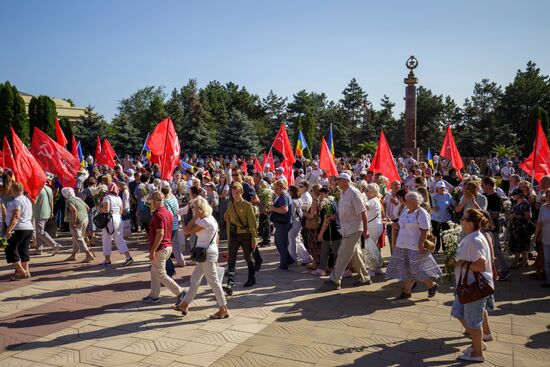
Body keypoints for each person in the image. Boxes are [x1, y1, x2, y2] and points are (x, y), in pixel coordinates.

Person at [450, 208, 494, 362]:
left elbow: (481, 265)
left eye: (463, 218)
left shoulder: (475, 240)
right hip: (465, 285)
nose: (461, 220)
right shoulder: (470, 236)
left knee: (473, 321)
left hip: (473, 287)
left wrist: (460, 263)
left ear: (469, 223)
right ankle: (478, 343)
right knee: (458, 312)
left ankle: (477, 353)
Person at [176, 197, 229, 319]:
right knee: (195, 279)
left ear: (200, 208)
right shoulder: (210, 219)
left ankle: (223, 308)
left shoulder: (204, 222)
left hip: (206, 253)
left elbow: (186, 231)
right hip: (207, 252)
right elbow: (216, 238)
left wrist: (194, 217)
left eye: (194, 208)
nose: (193, 210)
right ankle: (184, 304)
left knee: (213, 282)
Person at [385, 191, 441, 299]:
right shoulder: (405, 212)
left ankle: (431, 285)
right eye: (407, 201)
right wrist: (393, 224)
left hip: (415, 245)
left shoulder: (421, 212)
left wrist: (420, 244)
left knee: (416, 268)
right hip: (403, 244)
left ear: (415, 201)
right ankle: (406, 291)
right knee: (405, 267)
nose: (406, 203)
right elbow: (401, 226)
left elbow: (425, 230)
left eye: (408, 201)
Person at [325, 173, 372, 290]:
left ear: (346, 181)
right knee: (355, 254)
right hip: (347, 229)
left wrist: (366, 230)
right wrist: (334, 216)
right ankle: (365, 278)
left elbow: (363, 212)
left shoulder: (354, 193)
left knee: (343, 254)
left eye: (339, 180)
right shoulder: (343, 193)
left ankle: (335, 280)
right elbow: (344, 210)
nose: (337, 182)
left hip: (354, 229)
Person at [142, 191, 185, 304]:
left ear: (155, 201)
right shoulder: (166, 212)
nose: (149, 203)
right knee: (154, 271)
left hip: (161, 247)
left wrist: (153, 250)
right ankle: (154, 295)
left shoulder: (158, 214)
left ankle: (180, 292)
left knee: (160, 273)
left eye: (150, 200)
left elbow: (160, 233)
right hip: (167, 245)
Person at [224, 182, 258, 295]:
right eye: (234, 193)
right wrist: (229, 236)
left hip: (245, 234)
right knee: (231, 258)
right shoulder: (230, 204)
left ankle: (251, 278)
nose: (235, 195)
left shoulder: (248, 206)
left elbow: (252, 224)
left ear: (242, 192)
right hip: (234, 234)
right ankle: (230, 283)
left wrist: (254, 238)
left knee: (248, 257)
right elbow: (227, 220)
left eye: (237, 193)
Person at [482, 177, 511, 280]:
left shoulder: (496, 197)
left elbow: (495, 215)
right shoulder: (483, 196)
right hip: (483, 227)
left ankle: (505, 267)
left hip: (492, 227)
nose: (482, 186)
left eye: (483, 184)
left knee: (495, 248)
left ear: (489, 185)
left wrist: (484, 214)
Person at [4, 182, 34, 280]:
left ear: (13, 190)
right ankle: (26, 271)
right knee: (23, 250)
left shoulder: (17, 201)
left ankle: (21, 271)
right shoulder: (27, 200)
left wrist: (9, 229)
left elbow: (16, 215)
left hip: (18, 228)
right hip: (28, 227)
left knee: (10, 249)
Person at [100, 182, 134, 266]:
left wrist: (100, 208)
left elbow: (106, 210)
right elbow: (121, 211)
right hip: (118, 218)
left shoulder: (107, 197)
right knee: (119, 239)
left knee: (106, 239)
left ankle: (107, 260)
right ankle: (128, 257)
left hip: (110, 220)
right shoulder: (118, 197)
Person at [62, 188, 95, 263]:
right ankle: (74, 255)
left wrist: (73, 222)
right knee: (76, 238)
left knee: (78, 238)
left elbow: (74, 211)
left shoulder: (68, 200)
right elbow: (87, 208)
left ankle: (88, 255)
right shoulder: (78, 198)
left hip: (77, 221)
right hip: (85, 218)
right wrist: (83, 215)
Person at [32, 178, 62, 255]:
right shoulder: (48, 188)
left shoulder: (37, 190)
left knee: (40, 231)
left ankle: (55, 245)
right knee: (40, 231)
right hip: (47, 212)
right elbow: (51, 201)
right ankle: (39, 249)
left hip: (39, 212)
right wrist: (51, 212)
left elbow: (34, 201)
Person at [270, 180, 294, 270]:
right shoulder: (283, 195)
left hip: (283, 224)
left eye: (277, 188)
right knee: (279, 242)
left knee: (281, 244)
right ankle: (289, 260)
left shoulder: (283, 196)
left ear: (282, 188)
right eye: (274, 188)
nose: (275, 190)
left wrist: (273, 208)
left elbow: (284, 210)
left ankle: (284, 264)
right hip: (282, 223)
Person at [362, 183, 384, 276]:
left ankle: (371, 269)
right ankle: (378, 267)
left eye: (367, 190)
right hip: (375, 226)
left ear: (372, 192)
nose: (365, 192)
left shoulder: (372, 201)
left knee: (369, 248)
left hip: (372, 226)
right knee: (373, 247)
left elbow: (364, 207)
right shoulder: (375, 200)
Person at [288, 185, 313, 265]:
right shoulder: (299, 199)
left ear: (291, 192)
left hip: (294, 222)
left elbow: (291, 214)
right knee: (297, 241)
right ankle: (307, 257)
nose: (288, 192)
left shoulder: (293, 201)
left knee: (293, 241)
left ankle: (293, 258)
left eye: (289, 190)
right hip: (298, 222)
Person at [508, 188, 532, 268]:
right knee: (522, 246)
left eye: (514, 195)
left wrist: (515, 216)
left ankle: (514, 263)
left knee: (518, 245)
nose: (512, 196)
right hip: (516, 227)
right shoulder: (516, 202)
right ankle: (525, 262)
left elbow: (528, 217)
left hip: (522, 228)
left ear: (518, 195)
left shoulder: (525, 203)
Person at [431, 181, 454, 253]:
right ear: (437, 188)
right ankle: (436, 248)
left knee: (445, 234)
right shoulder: (433, 196)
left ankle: (445, 249)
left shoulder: (448, 195)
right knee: (436, 233)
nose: (442, 189)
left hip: (446, 218)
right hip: (435, 218)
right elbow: (431, 207)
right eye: (440, 188)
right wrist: (433, 208)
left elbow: (453, 203)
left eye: (443, 187)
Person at [534, 189, 550, 287]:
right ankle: (548, 281)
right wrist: (535, 236)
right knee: (547, 261)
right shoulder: (543, 208)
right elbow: (539, 223)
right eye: (549, 196)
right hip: (546, 238)